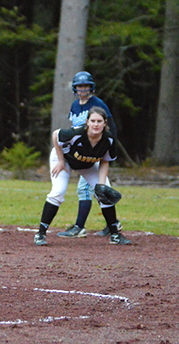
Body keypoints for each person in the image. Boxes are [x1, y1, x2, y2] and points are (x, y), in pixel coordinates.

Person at [33, 106, 132, 246]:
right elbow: (56, 135)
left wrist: (101, 184)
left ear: (105, 123)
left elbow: (105, 161)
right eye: (93, 121)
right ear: (87, 122)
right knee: (58, 192)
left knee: (105, 193)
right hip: (65, 160)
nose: (96, 124)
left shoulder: (108, 139)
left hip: (87, 165)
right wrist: (61, 160)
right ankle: (41, 233)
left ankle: (115, 235)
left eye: (99, 121)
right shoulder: (77, 133)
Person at [55, 71, 122, 239]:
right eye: (79, 86)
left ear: (91, 87)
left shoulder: (97, 103)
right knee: (94, 189)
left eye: (85, 86)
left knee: (86, 189)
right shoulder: (75, 105)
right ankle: (112, 224)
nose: (82, 89)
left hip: (97, 149)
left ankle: (79, 227)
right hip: (82, 151)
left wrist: (105, 150)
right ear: (75, 88)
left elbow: (110, 128)